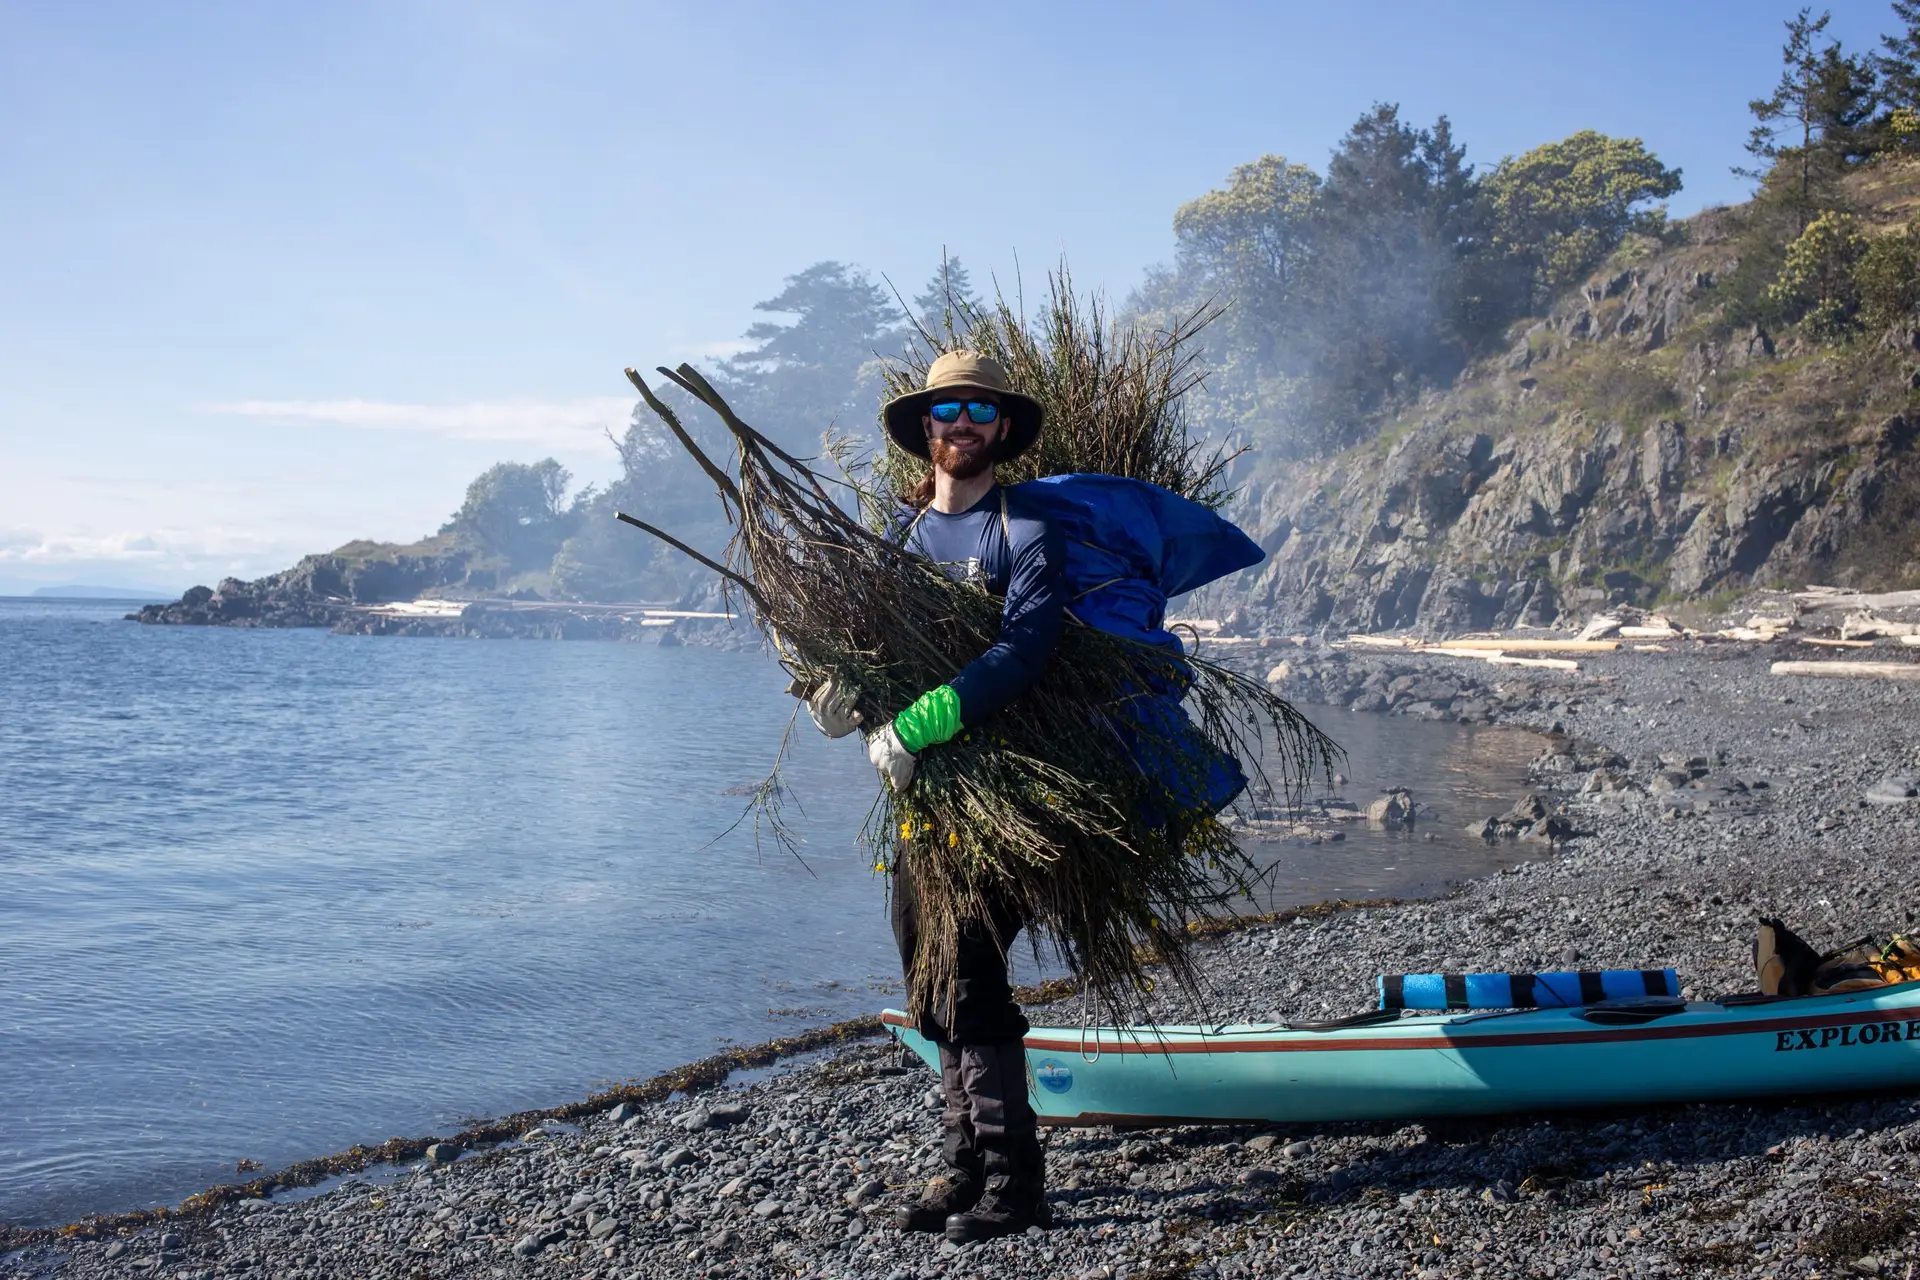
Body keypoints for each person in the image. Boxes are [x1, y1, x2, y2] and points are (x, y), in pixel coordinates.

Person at [804, 350, 1062, 1243]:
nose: (961, 422)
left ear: (999, 430)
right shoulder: (897, 542)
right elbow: (864, 654)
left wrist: (922, 724)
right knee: (929, 974)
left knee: (976, 974)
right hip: (922, 809)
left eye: (978, 411)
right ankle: (962, 1166)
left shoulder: (1022, 533)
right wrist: (836, 705)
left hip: (1006, 798)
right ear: (926, 427)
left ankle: (1014, 1180)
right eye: (947, 408)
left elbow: (1025, 650)